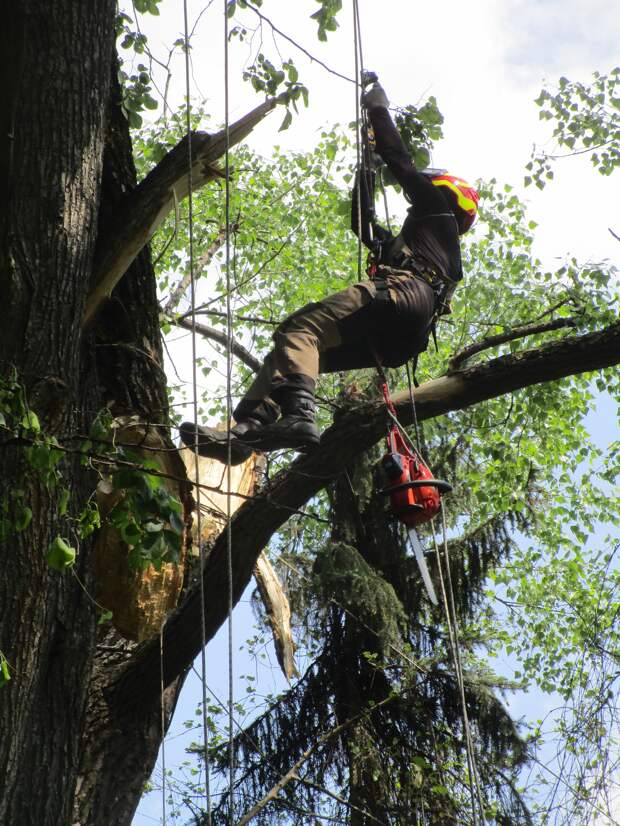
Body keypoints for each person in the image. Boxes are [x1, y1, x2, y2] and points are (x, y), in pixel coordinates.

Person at [180, 79, 479, 465]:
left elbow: (400, 159)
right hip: (401, 340)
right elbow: (363, 223)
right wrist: (365, 169)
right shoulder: (424, 248)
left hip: (404, 296)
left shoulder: (437, 212)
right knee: (295, 352)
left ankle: (299, 417)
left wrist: (377, 110)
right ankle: (244, 434)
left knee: (299, 328)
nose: (409, 204)